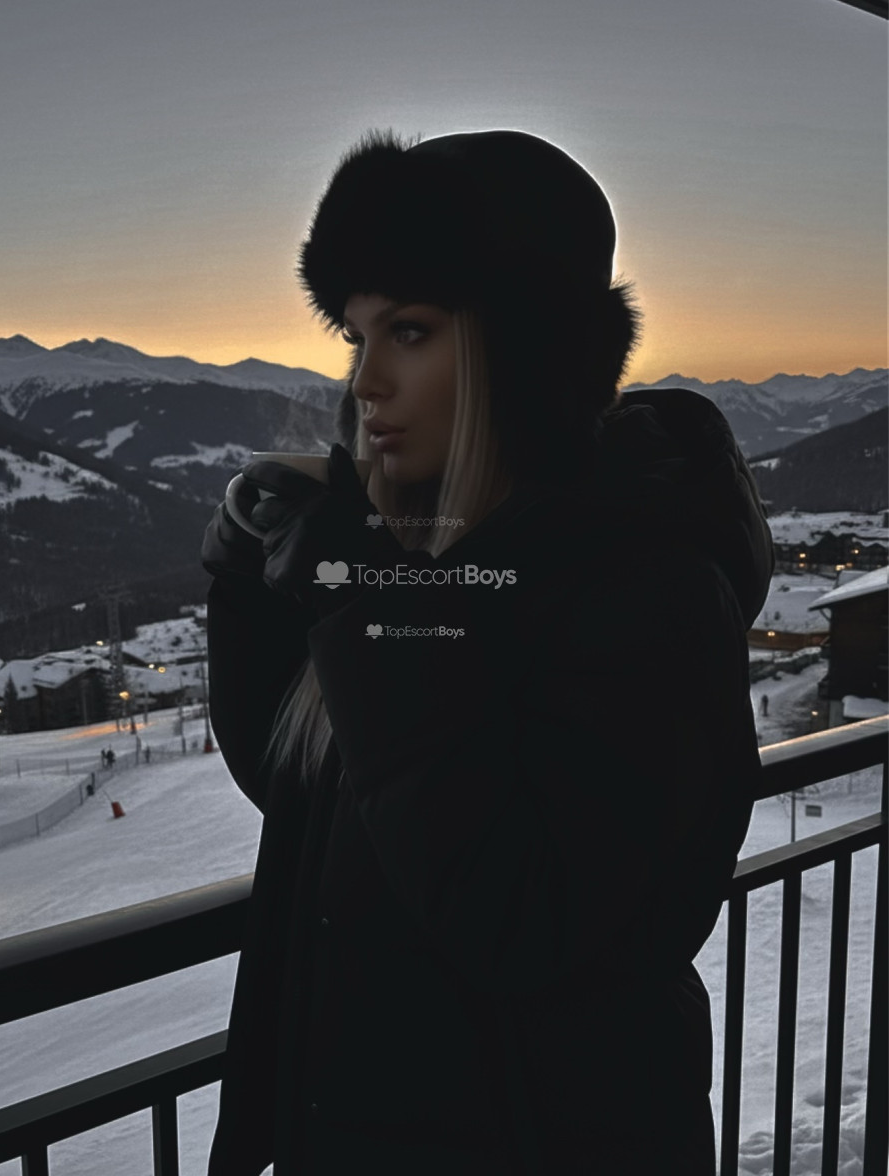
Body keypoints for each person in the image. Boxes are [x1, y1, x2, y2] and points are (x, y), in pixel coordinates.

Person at [202, 129, 774, 1175]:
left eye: (410, 331)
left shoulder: (647, 592)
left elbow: (524, 919)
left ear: (525, 350)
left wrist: (367, 605)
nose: (366, 379)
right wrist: (252, 588)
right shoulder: (433, 555)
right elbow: (319, 796)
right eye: (357, 335)